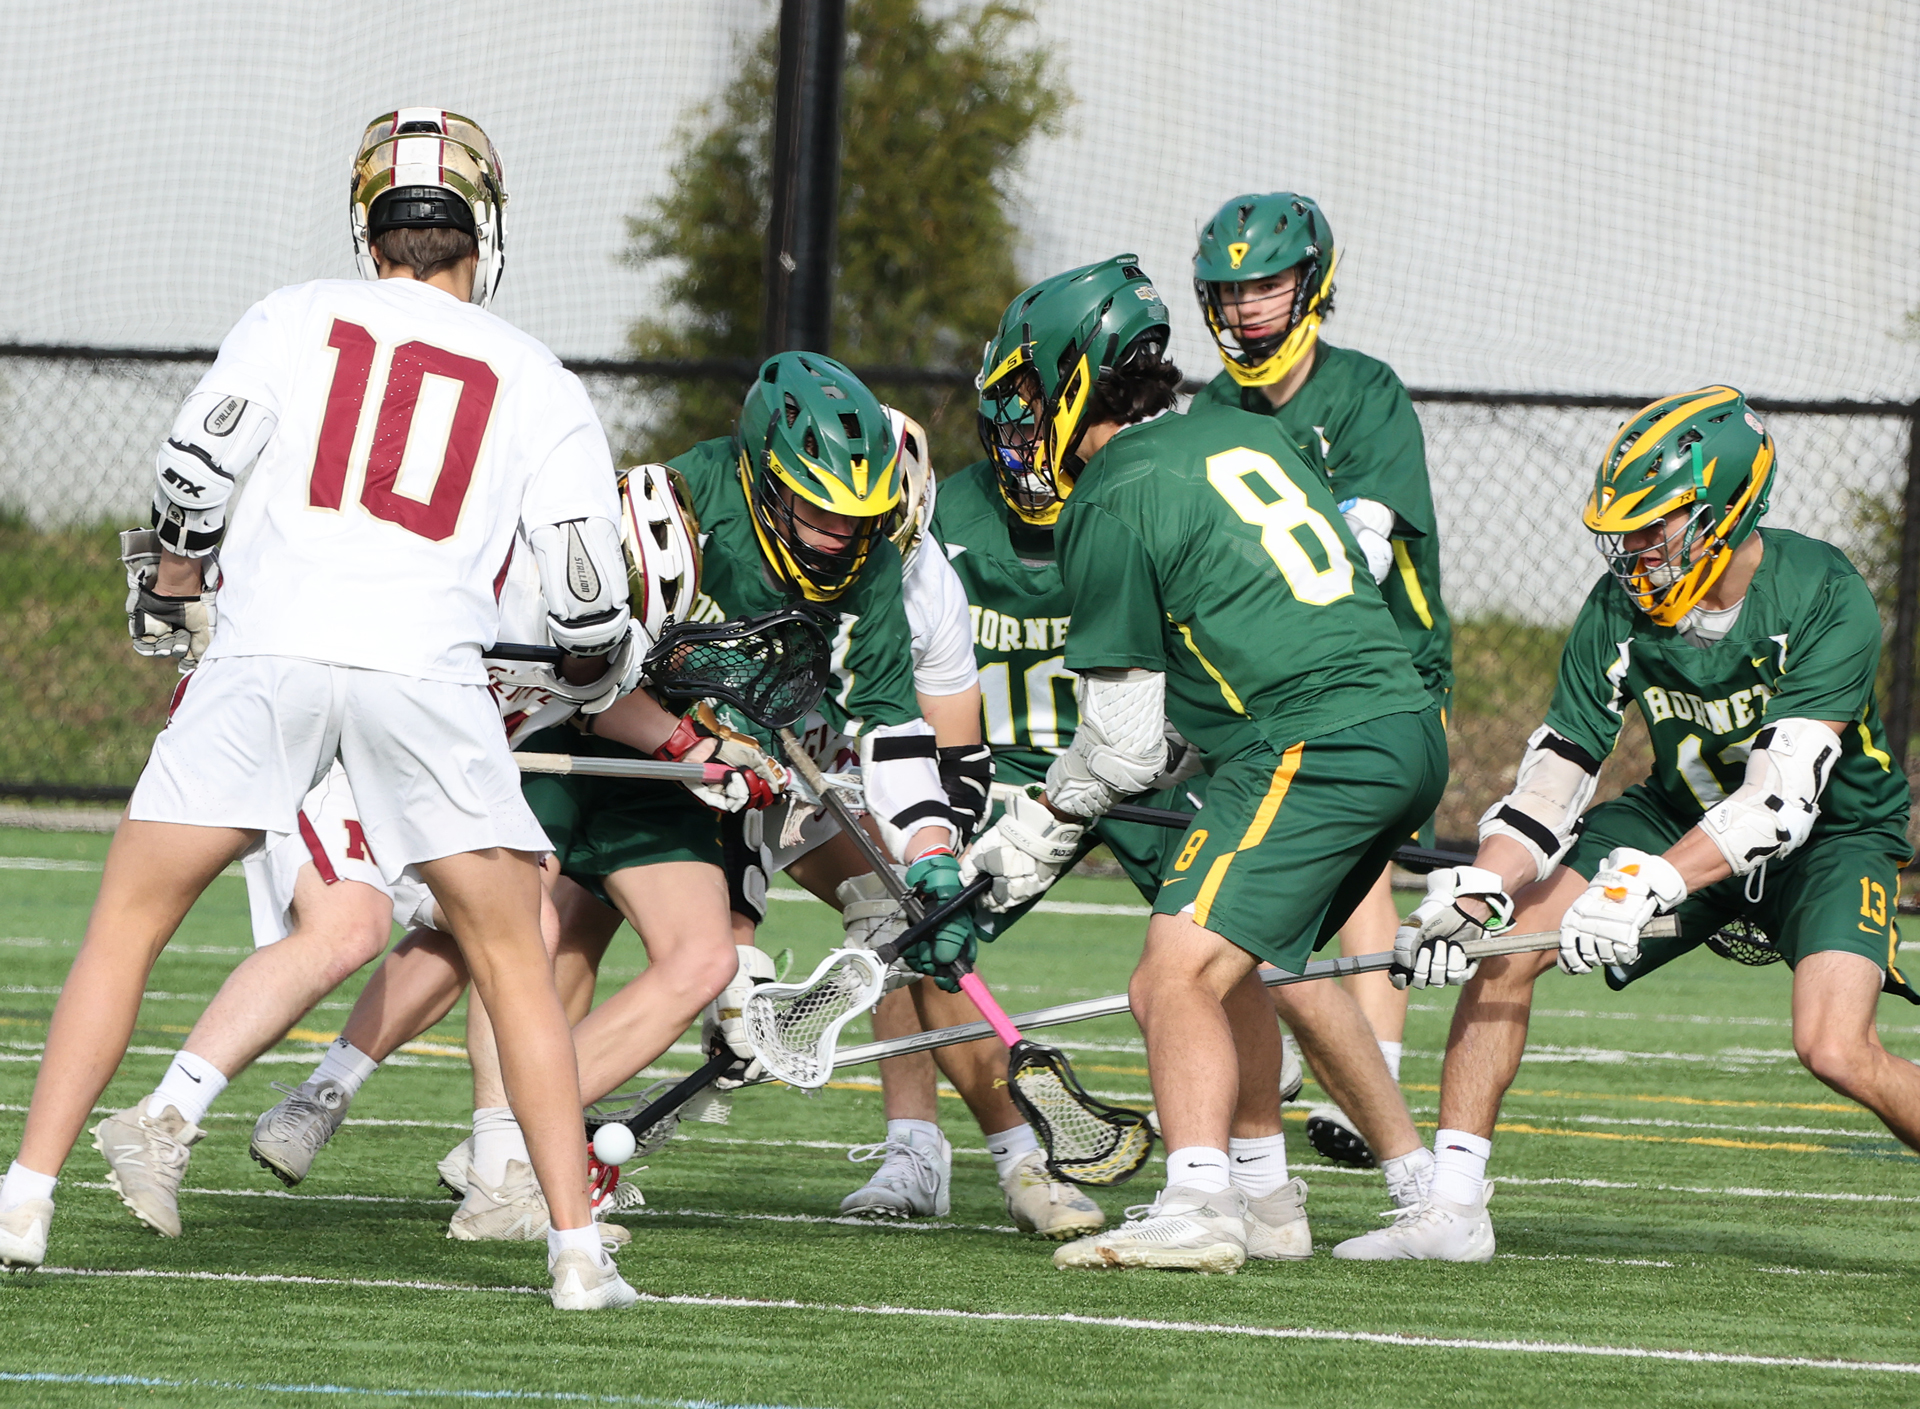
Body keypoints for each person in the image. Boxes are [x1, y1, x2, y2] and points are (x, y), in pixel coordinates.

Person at [0, 109, 642, 1310]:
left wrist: (179, 577)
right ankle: (573, 1252)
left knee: (127, 922)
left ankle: (24, 1193)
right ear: (482, 231)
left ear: (371, 226)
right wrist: (598, 664)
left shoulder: (291, 314)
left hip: (269, 649)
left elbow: (194, 471)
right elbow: (587, 601)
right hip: (424, 669)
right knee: (513, 957)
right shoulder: (537, 375)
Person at [1338, 386, 1920, 1262]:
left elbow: (1780, 799)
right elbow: (1558, 774)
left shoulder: (1823, 591)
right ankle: (1452, 1207)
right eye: (1628, 530)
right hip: (1678, 808)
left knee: (1835, 1046)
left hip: (1833, 834)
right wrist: (1482, 886)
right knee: (1508, 946)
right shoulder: (1618, 607)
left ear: (1726, 507)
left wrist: (1653, 881)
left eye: (1655, 525)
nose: (1636, 549)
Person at [960, 255, 1446, 1274]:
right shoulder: (1248, 431)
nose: (1018, 418)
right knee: (1244, 967)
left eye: (1029, 393)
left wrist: (1036, 827)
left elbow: (1124, 745)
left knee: (1169, 975)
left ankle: (1196, 1202)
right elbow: (1214, 678)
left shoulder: (1113, 495)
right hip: (1397, 723)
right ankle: (1328, 1197)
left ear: (1076, 377)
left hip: (1313, 741)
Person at [1189, 193, 1453, 1166]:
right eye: (1232, 290)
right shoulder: (1213, 411)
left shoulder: (1364, 391)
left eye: (1268, 284)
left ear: (1312, 282)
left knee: (1358, 860)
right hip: (1264, 682)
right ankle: (1286, 1047)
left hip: (1381, 668)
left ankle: (1374, 1063)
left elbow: (1362, 552)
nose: (1249, 305)